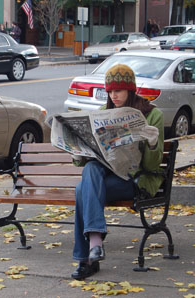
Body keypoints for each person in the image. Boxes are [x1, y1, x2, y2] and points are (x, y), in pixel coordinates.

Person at [71, 64, 164, 280]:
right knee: (91, 170)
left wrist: (151, 144)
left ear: (130, 90)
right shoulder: (103, 114)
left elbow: (152, 167)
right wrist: (78, 152)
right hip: (107, 176)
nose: (114, 96)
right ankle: (94, 247)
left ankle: (87, 258)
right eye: (110, 92)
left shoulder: (152, 115)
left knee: (81, 190)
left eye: (118, 91)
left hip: (135, 180)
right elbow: (87, 157)